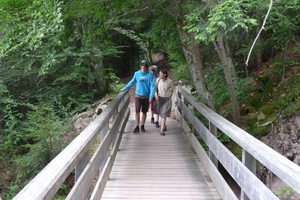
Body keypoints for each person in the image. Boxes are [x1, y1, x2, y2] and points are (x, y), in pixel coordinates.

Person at [120, 60, 155, 133]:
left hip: (146, 96)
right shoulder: (137, 74)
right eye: (142, 65)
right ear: (140, 66)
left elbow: (152, 86)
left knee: (144, 112)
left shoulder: (150, 75)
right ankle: (137, 126)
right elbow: (132, 82)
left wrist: (151, 96)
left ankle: (142, 125)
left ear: (147, 67)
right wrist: (124, 88)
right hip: (138, 96)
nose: (144, 67)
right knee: (137, 111)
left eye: (145, 65)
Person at [154, 69, 177, 136]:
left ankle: (161, 130)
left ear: (164, 74)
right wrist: (156, 94)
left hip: (167, 99)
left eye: (161, 74)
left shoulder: (169, 81)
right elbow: (155, 88)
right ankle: (164, 125)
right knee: (160, 113)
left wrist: (175, 99)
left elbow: (174, 90)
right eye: (159, 74)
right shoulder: (158, 80)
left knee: (163, 113)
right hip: (159, 99)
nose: (160, 75)